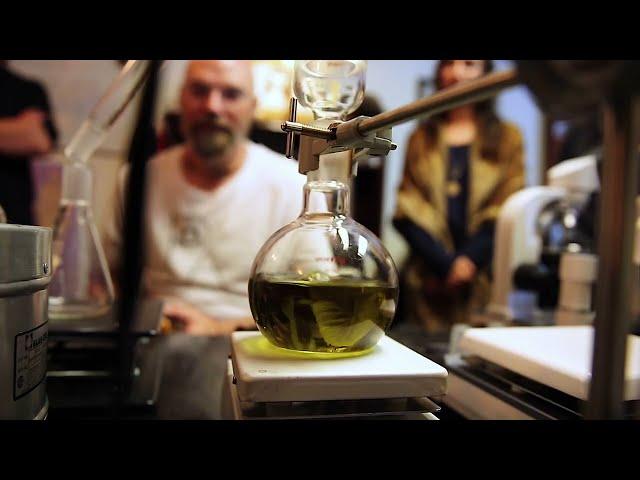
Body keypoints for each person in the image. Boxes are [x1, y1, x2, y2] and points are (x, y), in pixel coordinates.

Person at [103, 60, 306, 336]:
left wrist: (218, 329)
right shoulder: (137, 179)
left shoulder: (293, 187)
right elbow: (107, 277)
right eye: (199, 90)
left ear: (252, 106)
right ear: (181, 99)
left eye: (231, 94)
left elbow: (307, 303)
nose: (212, 107)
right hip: (152, 343)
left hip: (249, 347)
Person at [393, 60, 525, 334]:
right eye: (449, 63)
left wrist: (468, 262)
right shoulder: (421, 138)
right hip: (427, 279)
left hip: (484, 278)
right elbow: (406, 208)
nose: (456, 72)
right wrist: (444, 265)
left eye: (469, 63)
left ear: (486, 74)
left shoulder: (508, 138)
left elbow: (508, 204)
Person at [0, 61, 58, 225]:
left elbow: (37, 139)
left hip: (14, 220)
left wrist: (25, 132)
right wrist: (15, 129)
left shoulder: (26, 89)